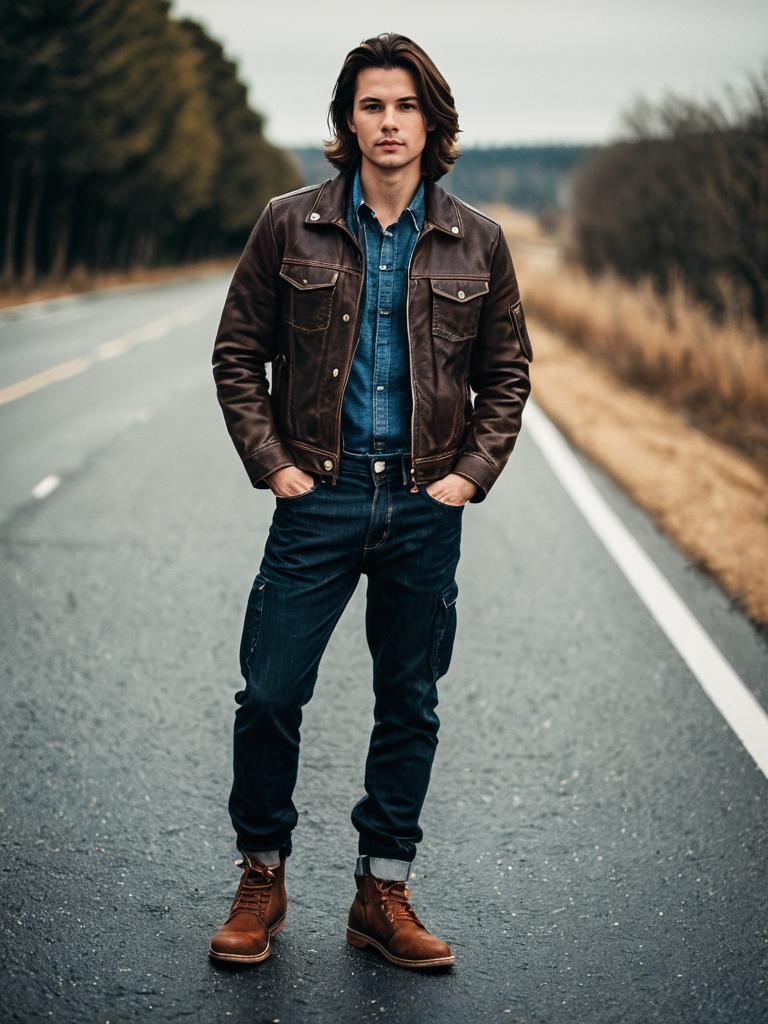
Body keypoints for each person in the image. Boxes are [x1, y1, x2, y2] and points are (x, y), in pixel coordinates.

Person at [208, 31, 533, 970]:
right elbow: (238, 355)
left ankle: (380, 889)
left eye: (405, 106)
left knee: (410, 701)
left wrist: (467, 477)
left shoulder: (480, 240)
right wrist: (275, 465)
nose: (389, 124)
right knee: (269, 694)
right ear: (348, 123)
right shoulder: (290, 224)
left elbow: (506, 376)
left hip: (425, 505)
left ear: (432, 120)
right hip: (321, 496)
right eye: (371, 107)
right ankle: (261, 878)